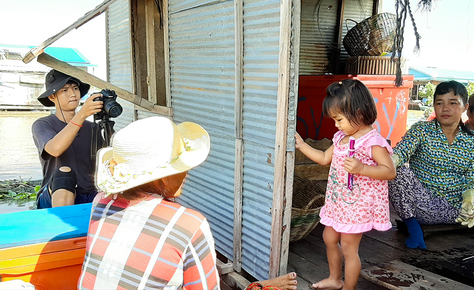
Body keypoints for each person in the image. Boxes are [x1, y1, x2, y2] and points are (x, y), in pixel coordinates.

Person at [78, 116, 298, 290]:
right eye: (181, 167)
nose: (187, 173)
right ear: (163, 177)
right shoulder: (188, 224)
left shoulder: (101, 202)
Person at [389, 81, 474, 250]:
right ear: (434, 105)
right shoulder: (421, 129)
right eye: (439, 102)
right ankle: (414, 230)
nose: (445, 108)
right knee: (396, 171)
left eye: (453, 103)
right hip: (424, 207)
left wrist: (471, 198)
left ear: (465, 107)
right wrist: (391, 160)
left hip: (462, 211)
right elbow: (402, 151)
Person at [295, 79, 396, 290]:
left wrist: (362, 169)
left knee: (349, 248)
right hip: (338, 201)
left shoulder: (373, 142)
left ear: (358, 113)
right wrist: (302, 145)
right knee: (329, 237)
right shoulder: (341, 137)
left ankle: (348, 288)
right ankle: (335, 278)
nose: (336, 124)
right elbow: (324, 157)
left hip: (356, 206)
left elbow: (389, 171)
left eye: (339, 119)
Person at [32, 69, 104, 209]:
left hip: (89, 193)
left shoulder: (92, 128)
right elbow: (55, 149)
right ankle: (63, 228)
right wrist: (82, 114)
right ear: (52, 97)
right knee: (64, 173)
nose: (72, 94)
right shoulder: (43, 124)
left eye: (75, 88)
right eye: (64, 90)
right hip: (55, 194)